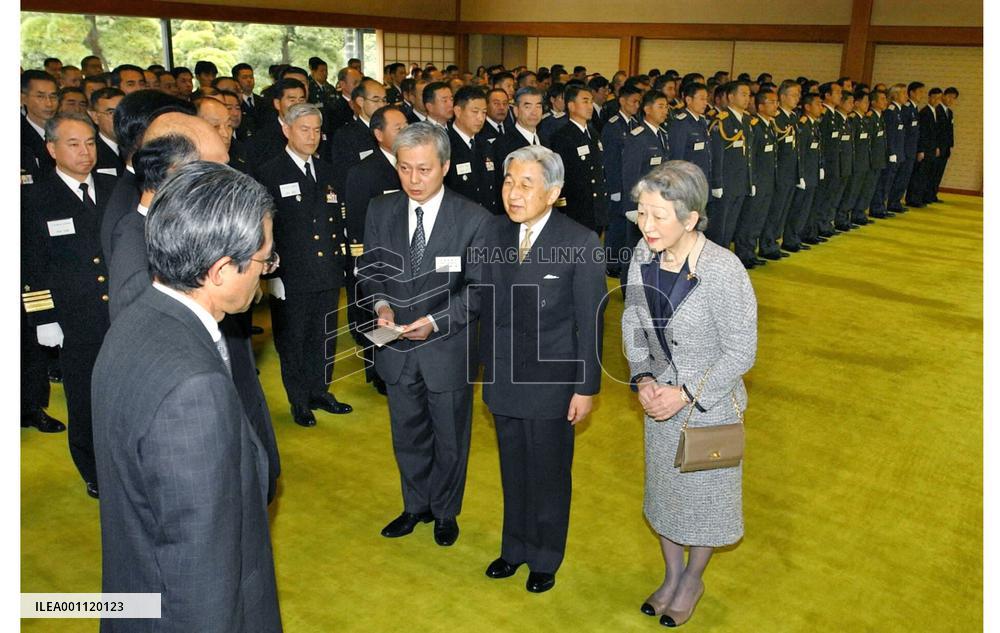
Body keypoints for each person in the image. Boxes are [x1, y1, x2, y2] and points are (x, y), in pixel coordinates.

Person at [92, 161, 282, 632]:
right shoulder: (194, 390)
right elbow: (201, 563)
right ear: (220, 270)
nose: (266, 273)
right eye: (264, 262)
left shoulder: (135, 320)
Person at [622, 160, 757, 628]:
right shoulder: (643, 254)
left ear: (691, 218)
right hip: (656, 401)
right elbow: (632, 320)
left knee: (704, 502)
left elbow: (742, 350)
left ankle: (692, 579)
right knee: (665, 494)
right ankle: (671, 573)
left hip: (708, 407)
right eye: (642, 213)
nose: (648, 225)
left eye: (659, 216)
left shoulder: (723, 269)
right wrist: (642, 378)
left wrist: (684, 393)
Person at [479, 145, 606, 594]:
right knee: (513, 468)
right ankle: (513, 547)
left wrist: (585, 387)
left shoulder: (580, 242)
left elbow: (590, 323)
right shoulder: (491, 233)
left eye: (526, 185)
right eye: (509, 181)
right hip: (503, 376)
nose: (513, 193)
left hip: (552, 382)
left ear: (552, 193)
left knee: (549, 473)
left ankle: (545, 555)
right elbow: (476, 299)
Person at [358, 122, 490, 547]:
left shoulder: (474, 219)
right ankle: (415, 505)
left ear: (445, 166)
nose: (413, 180)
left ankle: (446, 512)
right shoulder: (380, 210)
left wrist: (435, 322)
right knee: (407, 434)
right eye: (404, 168)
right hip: (395, 347)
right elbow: (372, 270)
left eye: (424, 170)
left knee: (450, 438)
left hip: (447, 349)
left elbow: (479, 289)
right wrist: (380, 305)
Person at [21, 112, 118, 498]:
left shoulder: (114, 189)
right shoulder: (35, 199)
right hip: (74, 318)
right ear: (51, 148)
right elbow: (30, 262)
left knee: (122, 393)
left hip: (119, 313)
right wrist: (44, 315)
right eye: (74, 144)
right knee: (85, 399)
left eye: (91, 143)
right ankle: (92, 468)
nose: (85, 152)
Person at [256, 102, 353, 427]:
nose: (312, 136)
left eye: (316, 130)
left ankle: (319, 391)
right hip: (292, 274)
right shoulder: (269, 172)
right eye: (304, 129)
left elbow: (336, 223)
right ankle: (299, 401)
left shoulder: (329, 172)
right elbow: (264, 229)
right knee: (293, 340)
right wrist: (273, 273)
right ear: (286, 129)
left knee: (324, 336)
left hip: (326, 272)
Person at [549, 84, 607, 234]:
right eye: (585, 101)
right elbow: (560, 176)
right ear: (571, 106)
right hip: (575, 211)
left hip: (595, 209)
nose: (590, 106)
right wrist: (562, 209)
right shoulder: (562, 136)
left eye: (591, 101)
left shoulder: (593, 134)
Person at [733, 88, 779, 268]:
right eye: (772, 102)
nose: (776, 106)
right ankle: (743, 253)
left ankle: (751, 251)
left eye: (776, 102)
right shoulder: (754, 125)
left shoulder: (770, 125)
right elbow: (751, 156)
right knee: (749, 218)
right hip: (757, 180)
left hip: (768, 180)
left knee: (759, 218)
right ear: (760, 106)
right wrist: (752, 181)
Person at [706, 81, 753, 249]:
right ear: (731, 97)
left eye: (748, 95)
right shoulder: (722, 121)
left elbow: (748, 155)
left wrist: (750, 180)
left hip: (740, 182)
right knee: (718, 227)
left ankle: (724, 260)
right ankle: (711, 263)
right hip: (725, 183)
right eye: (743, 94)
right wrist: (717, 183)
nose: (747, 98)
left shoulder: (746, 120)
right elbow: (717, 155)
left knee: (730, 227)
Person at [759, 80, 800, 259]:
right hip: (779, 173)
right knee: (774, 211)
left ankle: (774, 241)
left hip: (790, 173)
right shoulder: (778, 120)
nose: (797, 98)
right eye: (793, 95)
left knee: (783, 211)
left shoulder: (793, 118)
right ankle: (767, 244)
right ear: (782, 97)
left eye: (798, 95)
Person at [445, 86, 499, 214]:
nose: (481, 118)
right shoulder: (445, 145)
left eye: (484, 112)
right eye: (475, 112)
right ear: (458, 111)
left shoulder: (485, 144)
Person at [782, 92, 824, 253]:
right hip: (804, 173)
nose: (821, 107)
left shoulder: (813, 124)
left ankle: (797, 236)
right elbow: (801, 153)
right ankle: (790, 238)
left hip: (811, 173)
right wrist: (801, 174)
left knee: (806, 208)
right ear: (807, 107)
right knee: (798, 208)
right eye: (817, 104)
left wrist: (820, 166)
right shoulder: (804, 124)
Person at [87, 87, 126, 177]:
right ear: (95, 116)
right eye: (111, 113)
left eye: (123, 112)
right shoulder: (90, 152)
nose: (119, 118)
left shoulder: (137, 147)